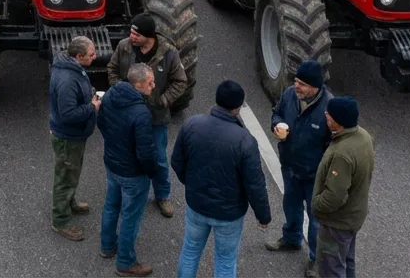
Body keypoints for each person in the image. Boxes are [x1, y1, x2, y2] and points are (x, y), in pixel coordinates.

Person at [172, 81, 272, 278]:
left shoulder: (192, 124)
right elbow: (255, 185)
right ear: (237, 107)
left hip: (197, 205)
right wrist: (263, 216)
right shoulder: (245, 140)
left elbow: (177, 162)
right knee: (225, 261)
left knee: (190, 251)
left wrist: (192, 184)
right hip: (229, 214)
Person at [107, 13, 188, 218]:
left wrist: (162, 101)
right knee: (128, 155)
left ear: (148, 36)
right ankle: (132, 193)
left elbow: (180, 81)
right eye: (131, 32)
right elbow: (112, 69)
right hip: (128, 115)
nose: (131, 36)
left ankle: (162, 195)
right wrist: (121, 90)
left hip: (155, 118)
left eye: (136, 33)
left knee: (158, 158)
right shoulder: (124, 46)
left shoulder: (168, 53)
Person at [267, 60, 334, 278]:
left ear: (315, 87)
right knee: (291, 205)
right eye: (296, 81)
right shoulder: (289, 95)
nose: (297, 86)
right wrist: (275, 125)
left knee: (315, 220)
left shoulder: (329, 108)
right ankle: (291, 239)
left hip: (315, 175)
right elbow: (276, 113)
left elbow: (334, 146)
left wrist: (324, 172)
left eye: (302, 84)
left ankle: (316, 259)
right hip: (290, 167)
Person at [97, 63, 158, 277]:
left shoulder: (113, 93)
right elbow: (145, 152)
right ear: (139, 85)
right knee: (131, 216)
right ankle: (125, 262)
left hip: (112, 163)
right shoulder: (141, 113)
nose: (153, 86)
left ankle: (107, 246)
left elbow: (101, 122)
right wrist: (151, 172)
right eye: (150, 82)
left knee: (111, 205)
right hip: (132, 174)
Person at [312, 97, 373, 278]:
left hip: (337, 223)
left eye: (328, 114)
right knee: (346, 262)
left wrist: (316, 205)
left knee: (331, 268)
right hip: (354, 216)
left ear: (338, 121)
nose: (325, 115)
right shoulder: (363, 136)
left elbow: (335, 196)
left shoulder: (343, 153)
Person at [49, 36, 101, 242]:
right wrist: (92, 107)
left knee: (71, 172)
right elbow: (68, 114)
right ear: (78, 56)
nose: (95, 57)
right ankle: (60, 220)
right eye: (91, 54)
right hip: (67, 137)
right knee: (65, 177)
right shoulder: (67, 80)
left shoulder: (71, 68)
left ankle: (69, 202)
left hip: (75, 136)